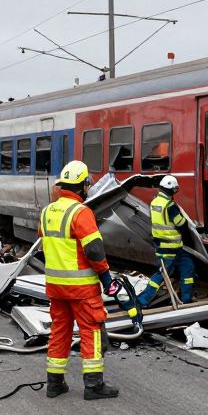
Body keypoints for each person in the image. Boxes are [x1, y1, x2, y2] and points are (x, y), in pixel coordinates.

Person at [40, 160, 119, 401]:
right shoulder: (80, 212)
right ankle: (93, 385)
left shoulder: (47, 211)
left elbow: (44, 248)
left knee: (60, 332)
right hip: (82, 288)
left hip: (55, 287)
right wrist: (106, 278)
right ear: (82, 186)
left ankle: (54, 384)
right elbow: (94, 250)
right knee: (91, 331)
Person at [137, 175, 196, 307]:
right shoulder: (169, 206)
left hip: (169, 247)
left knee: (188, 267)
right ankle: (142, 300)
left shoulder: (155, 202)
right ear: (172, 190)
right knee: (162, 275)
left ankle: (186, 299)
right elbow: (181, 224)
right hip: (170, 247)